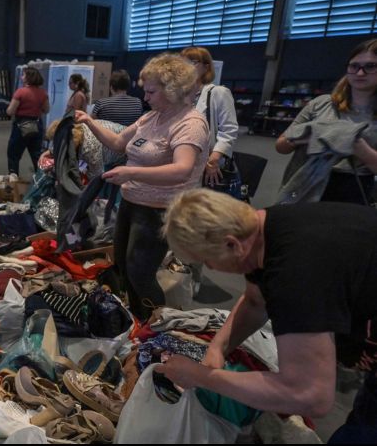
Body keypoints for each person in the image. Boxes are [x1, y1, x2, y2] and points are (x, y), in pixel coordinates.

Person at [160, 188, 377, 443]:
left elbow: (310, 395)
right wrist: (218, 347)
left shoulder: (295, 274)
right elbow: (254, 301)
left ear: (232, 244)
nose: (209, 268)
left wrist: (202, 377)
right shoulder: (266, 227)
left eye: (206, 260)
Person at [75, 53, 208, 320]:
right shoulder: (151, 118)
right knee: (124, 265)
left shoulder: (190, 125)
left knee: (140, 272)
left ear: (173, 91)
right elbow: (117, 143)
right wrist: (90, 122)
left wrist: (131, 172)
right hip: (132, 203)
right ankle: (138, 319)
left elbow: (182, 169)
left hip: (159, 210)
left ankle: (154, 325)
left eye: (151, 91)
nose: (145, 97)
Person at [275, 38, 377, 205]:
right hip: (303, 183)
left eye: (370, 66)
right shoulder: (321, 104)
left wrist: (358, 147)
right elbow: (281, 146)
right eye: (354, 66)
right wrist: (305, 137)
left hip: (351, 192)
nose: (360, 73)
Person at [181, 46, 240, 294]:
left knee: (198, 226)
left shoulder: (217, 93)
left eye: (192, 61)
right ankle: (179, 271)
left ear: (206, 67)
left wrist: (213, 160)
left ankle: (193, 276)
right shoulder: (180, 94)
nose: (185, 65)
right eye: (182, 60)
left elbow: (229, 131)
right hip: (182, 168)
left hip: (206, 169)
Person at [6, 67, 50, 176]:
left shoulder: (20, 92)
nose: (21, 77)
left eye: (23, 75)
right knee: (36, 155)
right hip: (37, 125)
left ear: (28, 77)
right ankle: (41, 179)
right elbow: (47, 109)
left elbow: (10, 111)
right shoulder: (43, 93)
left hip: (21, 126)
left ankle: (14, 180)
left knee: (13, 155)